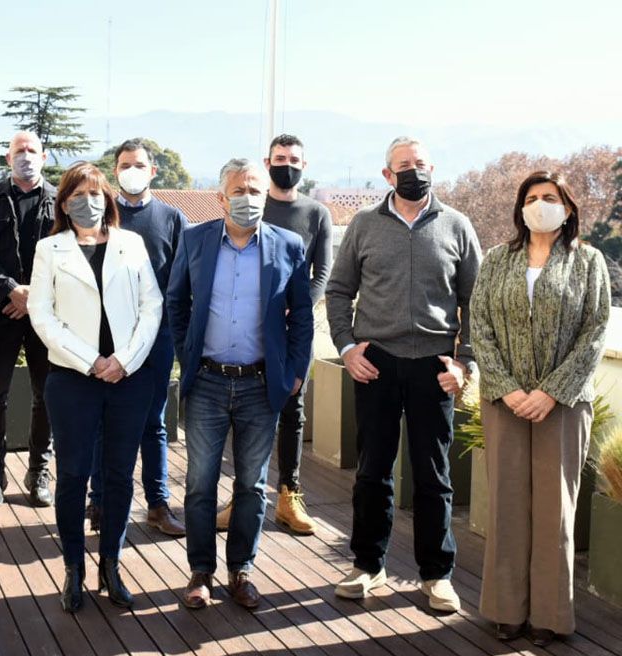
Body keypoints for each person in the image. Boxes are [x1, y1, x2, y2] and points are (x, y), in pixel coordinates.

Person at [326, 136, 481, 612]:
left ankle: (437, 576)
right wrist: (348, 348)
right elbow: (337, 290)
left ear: (432, 168)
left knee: (434, 477)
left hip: (435, 367)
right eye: (403, 165)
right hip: (377, 364)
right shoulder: (365, 225)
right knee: (372, 471)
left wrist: (465, 363)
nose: (414, 171)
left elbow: (476, 303)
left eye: (420, 163)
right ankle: (368, 566)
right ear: (387, 175)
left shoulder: (456, 226)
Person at [471, 171, 609, 647]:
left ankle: (550, 615)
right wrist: (508, 389)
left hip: (564, 404)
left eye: (549, 197)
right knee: (507, 505)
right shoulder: (495, 260)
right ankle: (506, 610)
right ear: (519, 208)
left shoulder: (589, 262)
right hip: (504, 402)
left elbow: (595, 333)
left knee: (555, 511)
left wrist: (551, 391)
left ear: (567, 208)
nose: (539, 204)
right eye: (531, 198)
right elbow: (481, 327)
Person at [167, 158, 312, 611]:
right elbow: (177, 302)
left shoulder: (288, 245)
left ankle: (241, 571)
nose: (248, 197)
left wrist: (293, 372)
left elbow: (302, 317)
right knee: (199, 483)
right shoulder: (196, 240)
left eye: (254, 189)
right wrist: (186, 355)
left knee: (252, 485)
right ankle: (201, 571)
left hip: (259, 385)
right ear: (220, 196)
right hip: (208, 381)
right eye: (239, 189)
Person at [28, 162, 163, 613]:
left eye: (96, 193)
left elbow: (152, 306)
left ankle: (111, 564)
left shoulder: (132, 244)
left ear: (108, 198)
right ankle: (73, 570)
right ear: (63, 204)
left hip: (128, 380)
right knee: (72, 476)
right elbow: (42, 315)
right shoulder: (50, 248)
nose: (89, 202)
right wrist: (91, 361)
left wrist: (123, 360)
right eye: (78, 195)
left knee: (119, 477)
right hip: (72, 380)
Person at [217, 134, 332, 536]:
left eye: (295, 158)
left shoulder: (317, 213)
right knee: (243, 412)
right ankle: (241, 496)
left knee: (291, 412)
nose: (288, 163)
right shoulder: (256, 207)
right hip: (249, 333)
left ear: (305, 164)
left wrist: (295, 305)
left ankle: (288, 495)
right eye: (280, 158)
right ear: (267, 164)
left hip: (293, 332)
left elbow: (322, 272)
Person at [84, 138, 188, 538]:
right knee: (101, 422)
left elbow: (180, 283)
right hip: (105, 339)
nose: (132, 170)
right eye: (125, 164)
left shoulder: (171, 218)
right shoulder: (101, 217)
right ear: (115, 171)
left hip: (155, 340)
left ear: (153, 170)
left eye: (139, 164)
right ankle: (99, 500)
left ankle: (157, 505)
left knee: (153, 423)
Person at [0, 131, 57, 509]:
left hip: (46, 314)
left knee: (46, 395)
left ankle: (39, 471)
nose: (26, 156)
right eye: (19, 151)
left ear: (45, 156)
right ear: (8, 159)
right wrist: (10, 291)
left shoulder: (60, 202)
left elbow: (66, 255)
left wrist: (32, 297)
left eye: (32, 150)